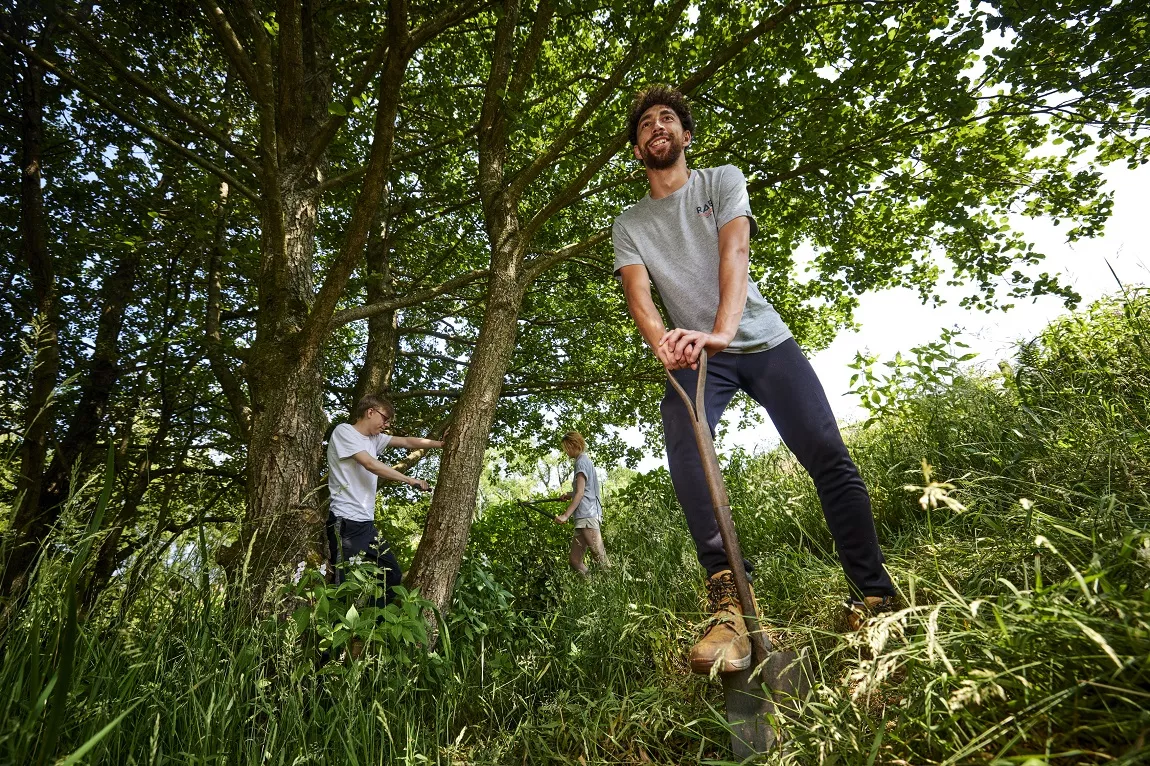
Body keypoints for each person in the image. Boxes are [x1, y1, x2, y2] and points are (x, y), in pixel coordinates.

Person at [611, 85, 896, 675]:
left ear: (685, 137)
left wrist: (720, 329)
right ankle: (730, 612)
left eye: (668, 118)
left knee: (826, 454)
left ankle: (874, 596)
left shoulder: (721, 182)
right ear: (638, 149)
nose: (656, 126)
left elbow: (733, 253)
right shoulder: (631, 222)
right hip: (694, 358)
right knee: (690, 458)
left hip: (762, 341)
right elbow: (639, 294)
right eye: (645, 124)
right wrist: (665, 345)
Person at [326, 393, 443, 606]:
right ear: (370, 412)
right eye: (385, 418)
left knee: (392, 574)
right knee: (343, 584)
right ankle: (338, 632)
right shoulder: (344, 432)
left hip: (366, 524)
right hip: (345, 522)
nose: (386, 425)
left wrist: (441, 444)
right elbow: (369, 464)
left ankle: (371, 627)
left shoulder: (374, 439)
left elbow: (407, 441)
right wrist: (409, 480)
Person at [552, 431, 610, 575]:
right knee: (574, 560)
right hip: (583, 517)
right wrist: (569, 494)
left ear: (574, 445)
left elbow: (580, 493)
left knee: (600, 559)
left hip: (587, 516)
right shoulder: (583, 461)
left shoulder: (581, 462)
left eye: (567, 448)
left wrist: (565, 515)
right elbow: (584, 490)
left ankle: (619, 591)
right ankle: (592, 589)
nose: (566, 452)